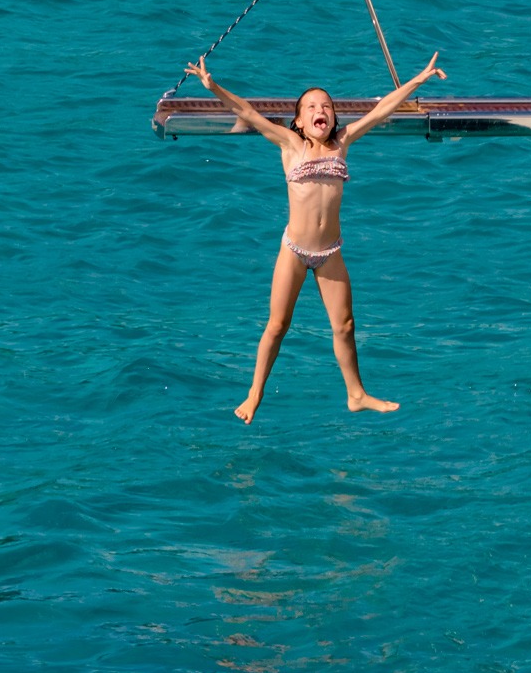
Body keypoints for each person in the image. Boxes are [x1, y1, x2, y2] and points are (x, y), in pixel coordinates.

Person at [184, 52, 448, 423]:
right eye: (310, 107)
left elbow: (382, 110)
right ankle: (254, 393)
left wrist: (418, 79)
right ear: (298, 121)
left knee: (346, 325)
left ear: (334, 118)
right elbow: (247, 112)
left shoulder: (343, 142)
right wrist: (213, 86)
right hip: (294, 251)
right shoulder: (290, 145)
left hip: (330, 253)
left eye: (326, 106)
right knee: (277, 326)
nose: (319, 110)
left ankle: (356, 394)